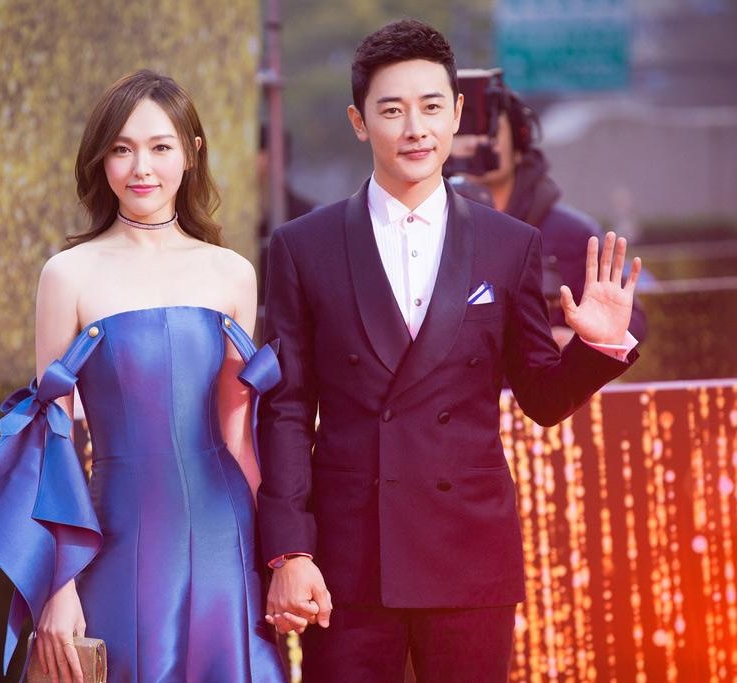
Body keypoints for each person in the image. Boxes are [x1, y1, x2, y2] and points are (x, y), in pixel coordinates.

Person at [256, 19, 642, 682]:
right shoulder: (302, 246)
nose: (415, 128)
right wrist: (290, 550)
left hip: (468, 556)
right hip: (349, 561)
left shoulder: (509, 244)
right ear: (358, 121)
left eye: (431, 107)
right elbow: (287, 409)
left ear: (458, 114)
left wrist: (598, 345)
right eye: (392, 110)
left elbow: (542, 398)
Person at [0, 71, 285, 683]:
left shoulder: (232, 272)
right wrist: (57, 584)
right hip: (118, 531)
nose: (142, 168)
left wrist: (281, 554)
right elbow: (51, 434)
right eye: (122, 148)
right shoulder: (68, 273)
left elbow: (238, 430)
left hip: (228, 532)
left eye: (160, 147)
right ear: (101, 158)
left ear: (191, 152)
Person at [450, 87, 649, 349]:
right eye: (461, 131)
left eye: (489, 130)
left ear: (518, 145)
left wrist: (581, 343)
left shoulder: (573, 235)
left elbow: (628, 320)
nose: (474, 142)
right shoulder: (424, 228)